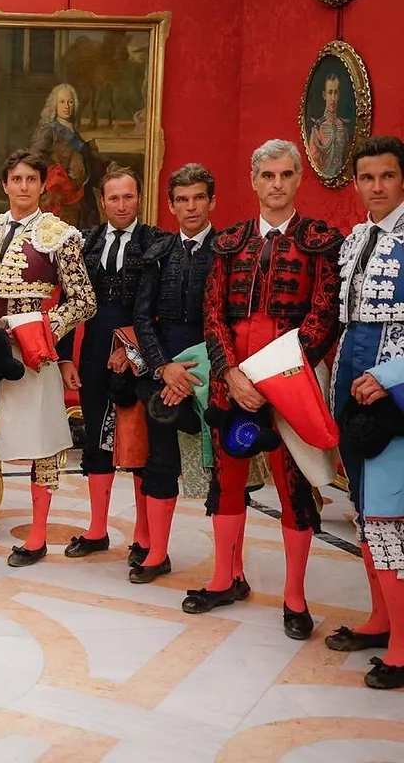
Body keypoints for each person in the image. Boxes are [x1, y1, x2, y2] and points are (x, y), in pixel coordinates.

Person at [193, 139, 342, 640]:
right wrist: (231, 374)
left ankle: (295, 597)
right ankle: (223, 578)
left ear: (298, 180)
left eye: (284, 175)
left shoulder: (321, 239)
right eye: (267, 175)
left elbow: (323, 317)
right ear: (254, 181)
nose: (276, 184)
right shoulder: (230, 241)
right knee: (227, 481)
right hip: (232, 382)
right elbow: (212, 313)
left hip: (291, 383)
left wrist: (279, 378)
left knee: (293, 489)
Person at [0, 148, 95, 564]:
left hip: (33, 350)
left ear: (42, 184)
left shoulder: (59, 235)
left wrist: (43, 327)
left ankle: (36, 535)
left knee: (42, 443)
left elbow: (84, 300)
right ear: (5, 185)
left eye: (31, 179)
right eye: (16, 179)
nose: (24, 187)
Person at [327, 135, 404, 689]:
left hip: (393, 392)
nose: (375, 187)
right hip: (349, 382)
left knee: (387, 513)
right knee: (361, 508)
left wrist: (390, 377)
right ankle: (381, 619)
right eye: (367, 178)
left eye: (387, 177)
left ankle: (403, 643)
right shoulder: (355, 239)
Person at [55, 166, 160, 564]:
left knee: (139, 444)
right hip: (95, 350)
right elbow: (69, 302)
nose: (121, 205)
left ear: (139, 198)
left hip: (140, 353)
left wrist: (132, 347)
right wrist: (66, 357)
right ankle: (97, 530)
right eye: (113, 198)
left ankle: (144, 535)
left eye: (128, 197)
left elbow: (160, 308)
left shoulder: (156, 244)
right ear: (102, 201)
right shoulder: (85, 243)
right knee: (96, 439)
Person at [130, 163, 218, 584]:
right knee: (160, 462)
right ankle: (157, 553)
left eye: (199, 197)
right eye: (182, 200)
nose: (191, 207)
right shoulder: (159, 254)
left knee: (226, 469)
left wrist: (199, 370)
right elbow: (142, 317)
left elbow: (229, 319)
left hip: (213, 373)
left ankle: (229, 568)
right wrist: (164, 368)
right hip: (164, 373)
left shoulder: (228, 251)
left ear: (211, 201)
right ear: (170, 206)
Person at [31, 83, 108, 229]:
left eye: (70, 102)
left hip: (82, 196)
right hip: (59, 197)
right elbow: (36, 160)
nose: (66, 106)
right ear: (55, 105)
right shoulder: (49, 131)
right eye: (62, 102)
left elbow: (87, 164)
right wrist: (58, 175)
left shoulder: (74, 133)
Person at [307, 74, 352, 179]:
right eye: (330, 92)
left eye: (335, 93)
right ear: (324, 95)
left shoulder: (344, 127)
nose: (333, 98)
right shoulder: (317, 128)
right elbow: (314, 166)